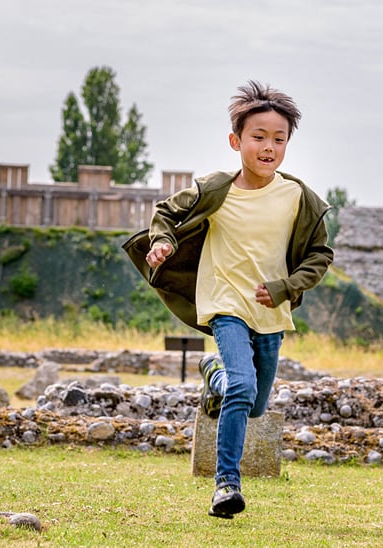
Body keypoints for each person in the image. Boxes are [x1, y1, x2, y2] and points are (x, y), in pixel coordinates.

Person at [124, 81, 333, 519]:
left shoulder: (300, 198)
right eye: (258, 137)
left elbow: (320, 255)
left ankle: (213, 373)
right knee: (244, 386)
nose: (268, 146)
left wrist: (285, 288)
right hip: (225, 305)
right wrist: (161, 242)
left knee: (253, 403)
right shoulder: (215, 189)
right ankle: (226, 485)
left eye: (279, 139)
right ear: (236, 141)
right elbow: (165, 213)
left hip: (270, 310)